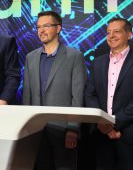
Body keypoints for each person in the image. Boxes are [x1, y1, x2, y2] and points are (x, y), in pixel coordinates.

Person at [85, 17, 133, 170]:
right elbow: (90, 94)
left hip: (132, 134)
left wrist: (113, 123)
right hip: (101, 134)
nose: (111, 36)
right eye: (108, 32)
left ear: (129, 34)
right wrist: (102, 123)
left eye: (116, 31)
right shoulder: (97, 63)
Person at [23, 11, 87, 169]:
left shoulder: (74, 56)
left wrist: (73, 128)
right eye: (38, 27)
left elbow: (77, 96)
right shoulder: (30, 57)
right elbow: (27, 96)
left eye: (46, 26)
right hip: (36, 131)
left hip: (63, 130)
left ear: (58, 28)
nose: (41, 30)